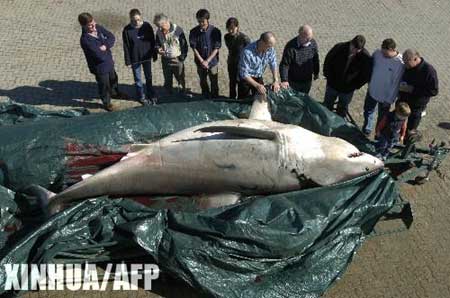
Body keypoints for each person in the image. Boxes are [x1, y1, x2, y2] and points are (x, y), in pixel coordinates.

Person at [78, 12, 126, 111]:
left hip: (109, 62)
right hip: (100, 67)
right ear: (83, 26)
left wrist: (105, 46)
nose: (93, 26)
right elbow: (99, 56)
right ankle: (107, 103)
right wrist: (105, 47)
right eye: (90, 25)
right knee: (104, 85)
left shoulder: (98, 28)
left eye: (93, 22)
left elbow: (111, 37)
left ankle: (115, 93)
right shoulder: (85, 40)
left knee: (113, 79)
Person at [362, 38, 404, 136]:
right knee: (368, 110)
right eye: (382, 51)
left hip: (385, 98)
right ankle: (367, 130)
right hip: (372, 91)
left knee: (382, 117)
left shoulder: (399, 63)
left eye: (385, 53)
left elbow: (396, 84)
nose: (383, 54)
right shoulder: (377, 54)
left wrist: (389, 100)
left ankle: (378, 133)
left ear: (392, 49)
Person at [322, 35, 372, 117]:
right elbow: (328, 61)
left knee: (342, 110)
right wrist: (328, 76)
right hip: (332, 85)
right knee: (327, 106)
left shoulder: (365, 57)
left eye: (357, 50)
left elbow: (365, 75)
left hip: (347, 90)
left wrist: (356, 85)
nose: (354, 51)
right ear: (351, 43)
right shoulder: (339, 48)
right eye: (353, 48)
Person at [398, 49, 439, 133]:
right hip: (403, 102)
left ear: (416, 59)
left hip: (416, 106)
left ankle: (407, 143)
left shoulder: (429, 71)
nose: (405, 65)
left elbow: (434, 91)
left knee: (411, 130)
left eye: (406, 62)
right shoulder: (408, 66)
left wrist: (412, 89)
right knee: (397, 125)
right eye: (404, 62)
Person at [122, 9, 157, 105]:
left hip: (146, 57)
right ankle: (141, 96)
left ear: (141, 17)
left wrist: (154, 54)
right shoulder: (127, 30)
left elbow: (152, 41)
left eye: (138, 19)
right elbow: (126, 46)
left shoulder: (147, 26)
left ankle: (151, 93)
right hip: (135, 59)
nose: (136, 22)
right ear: (130, 19)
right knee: (138, 79)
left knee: (149, 77)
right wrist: (128, 60)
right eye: (134, 20)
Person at [189, 9, 222, 98]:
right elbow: (194, 48)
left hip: (213, 62)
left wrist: (207, 61)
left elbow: (216, 48)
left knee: (214, 81)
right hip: (200, 62)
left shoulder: (215, 31)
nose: (201, 24)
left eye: (202, 21)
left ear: (207, 20)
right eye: (199, 21)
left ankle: (215, 97)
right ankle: (205, 96)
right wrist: (202, 61)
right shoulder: (193, 32)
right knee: (203, 81)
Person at [154, 13, 188, 95]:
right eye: (158, 26)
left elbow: (184, 45)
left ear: (166, 22)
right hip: (165, 60)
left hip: (177, 60)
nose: (159, 28)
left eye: (161, 26)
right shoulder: (159, 31)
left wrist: (181, 58)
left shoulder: (178, 30)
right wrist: (158, 49)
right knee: (167, 79)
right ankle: (168, 93)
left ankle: (182, 92)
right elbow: (157, 43)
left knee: (180, 78)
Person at [238, 32, 281, 98]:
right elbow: (244, 73)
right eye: (269, 46)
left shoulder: (270, 49)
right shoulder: (247, 52)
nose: (270, 48)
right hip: (246, 79)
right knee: (243, 100)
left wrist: (275, 80)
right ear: (262, 42)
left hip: (258, 76)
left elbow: (273, 63)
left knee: (261, 97)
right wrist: (257, 85)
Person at [279, 25, 319, 95]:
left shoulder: (312, 43)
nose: (309, 40)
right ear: (300, 35)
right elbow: (285, 64)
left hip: (307, 81)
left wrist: (316, 72)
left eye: (310, 38)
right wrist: (284, 80)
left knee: (303, 99)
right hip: (293, 82)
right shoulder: (291, 46)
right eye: (307, 38)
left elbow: (315, 59)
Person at [224, 17, 251, 99]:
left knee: (241, 83)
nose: (230, 31)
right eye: (228, 29)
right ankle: (232, 98)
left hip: (242, 64)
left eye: (232, 28)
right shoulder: (226, 37)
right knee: (232, 82)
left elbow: (249, 52)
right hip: (231, 63)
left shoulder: (244, 38)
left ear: (237, 27)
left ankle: (240, 99)